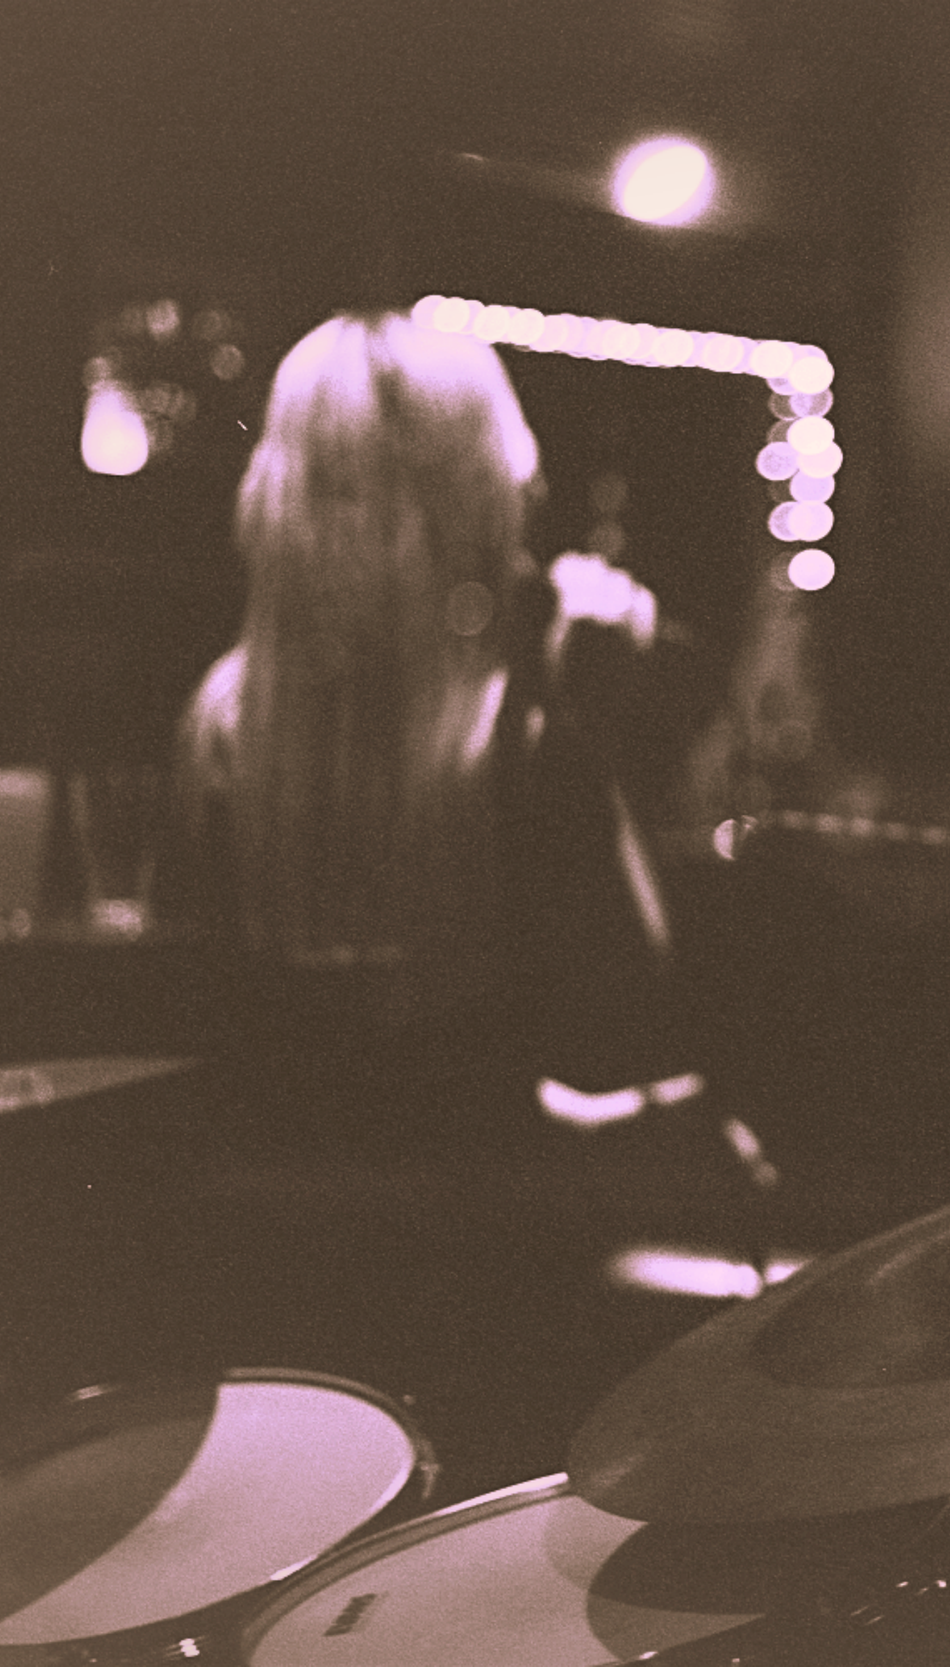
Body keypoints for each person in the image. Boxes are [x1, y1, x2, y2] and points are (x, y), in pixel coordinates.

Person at [158, 310, 694, 1132]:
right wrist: (597, 717)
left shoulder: (223, 717)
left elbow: (203, 1008)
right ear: (477, 493)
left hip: (272, 1207)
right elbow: (630, 1018)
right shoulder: (521, 729)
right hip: (494, 1223)